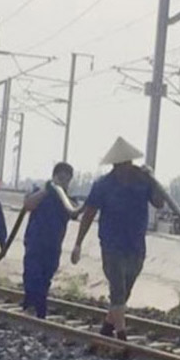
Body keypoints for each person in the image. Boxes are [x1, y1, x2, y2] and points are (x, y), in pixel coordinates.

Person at [71, 137, 164, 341]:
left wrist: (154, 180)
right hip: (112, 244)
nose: (126, 168)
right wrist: (78, 243)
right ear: (115, 165)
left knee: (126, 288)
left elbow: (159, 203)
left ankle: (107, 327)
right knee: (117, 288)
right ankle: (120, 334)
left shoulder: (143, 182)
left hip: (136, 244)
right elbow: (88, 214)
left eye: (128, 163)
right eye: (122, 164)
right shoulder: (103, 185)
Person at [21, 162, 75, 318]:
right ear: (54, 177)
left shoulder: (67, 200)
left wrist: (62, 194)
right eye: (60, 178)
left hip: (53, 245)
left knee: (46, 278)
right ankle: (30, 307)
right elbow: (28, 204)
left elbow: (74, 212)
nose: (63, 182)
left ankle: (39, 313)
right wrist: (47, 190)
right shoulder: (40, 192)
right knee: (32, 275)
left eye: (66, 179)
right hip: (35, 242)